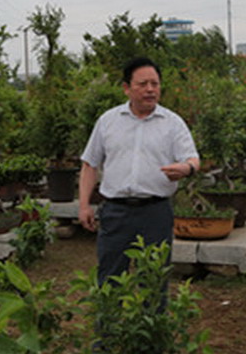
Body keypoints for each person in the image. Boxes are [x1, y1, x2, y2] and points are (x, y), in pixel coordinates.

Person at [78, 56, 200, 286]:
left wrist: (187, 168)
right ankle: (110, 311)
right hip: (115, 212)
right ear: (126, 88)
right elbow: (89, 164)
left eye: (155, 84)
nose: (150, 89)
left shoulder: (172, 123)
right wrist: (84, 205)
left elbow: (193, 159)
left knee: (154, 280)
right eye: (143, 84)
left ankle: (152, 311)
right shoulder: (108, 121)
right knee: (110, 278)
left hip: (155, 213)